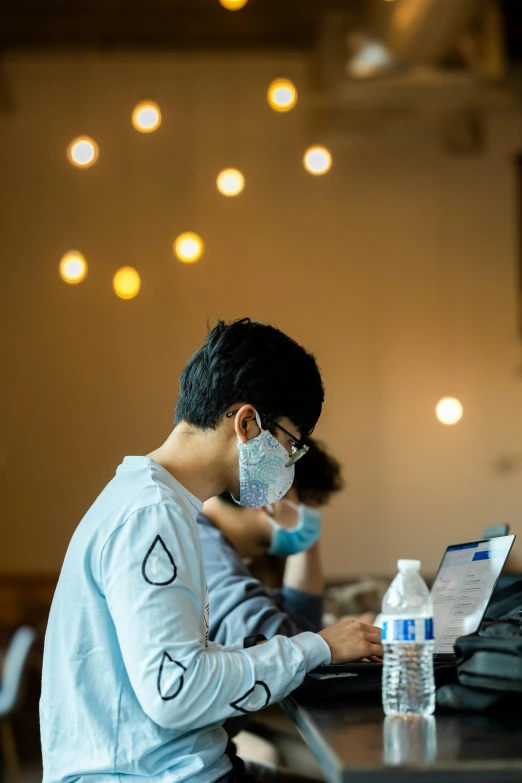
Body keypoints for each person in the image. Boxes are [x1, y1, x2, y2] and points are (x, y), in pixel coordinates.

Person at [40, 318, 383, 783]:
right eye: (291, 445)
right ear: (246, 423)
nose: (287, 465)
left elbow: (174, 663)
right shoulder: (152, 515)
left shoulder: (153, 501)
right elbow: (176, 693)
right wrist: (316, 647)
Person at [199, 438, 362, 645]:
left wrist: (304, 542)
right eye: (308, 507)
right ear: (272, 497)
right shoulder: (208, 552)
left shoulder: (216, 545)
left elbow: (302, 626)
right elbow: (279, 646)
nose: (313, 519)